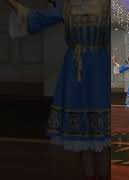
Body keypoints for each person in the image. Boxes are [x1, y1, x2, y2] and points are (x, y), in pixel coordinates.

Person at [7, 0, 111, 179]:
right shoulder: (69, 7)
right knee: (82, 136)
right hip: (78, 71)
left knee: (102, 134)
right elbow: (36, 18)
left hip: (98, 71)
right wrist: (13, 4)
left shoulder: (107, 6)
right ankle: (89, 175)